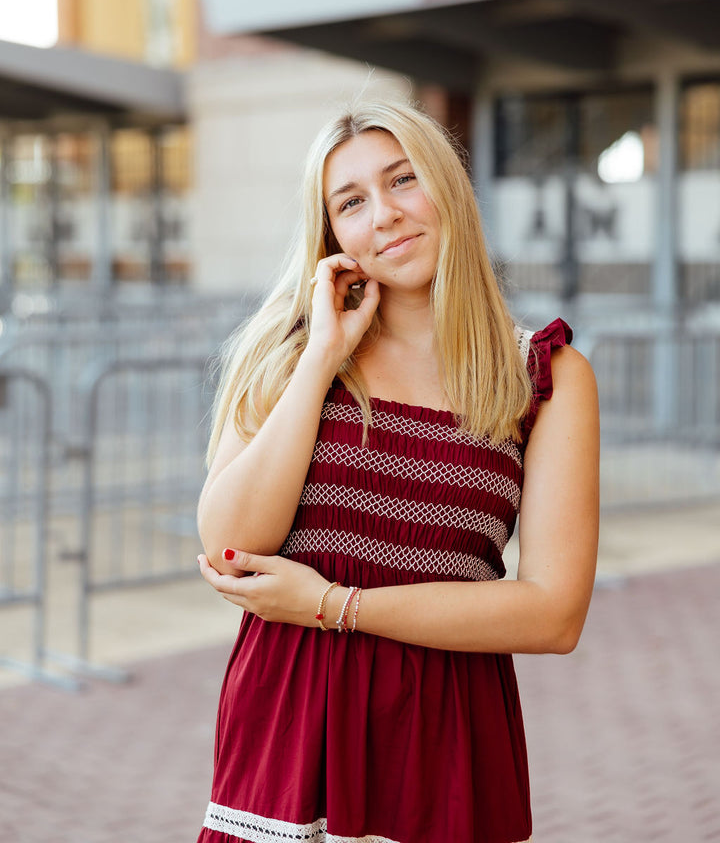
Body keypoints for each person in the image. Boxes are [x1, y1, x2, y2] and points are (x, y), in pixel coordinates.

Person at [195, 99, 600, 843]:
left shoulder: (543, 376)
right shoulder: (288, 353)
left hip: (443, 731)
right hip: (289, 724)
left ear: (448, 188)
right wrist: (321, 357)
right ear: (332, 235)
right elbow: (230, 546)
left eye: (403, 180)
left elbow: (554, 614)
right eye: (351, 202)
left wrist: (335, 605)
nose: (383, 214)